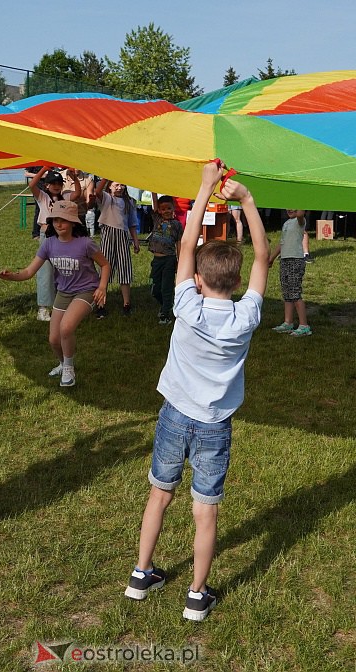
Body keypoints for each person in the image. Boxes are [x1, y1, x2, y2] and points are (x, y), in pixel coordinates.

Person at [124, 161, 268, 622]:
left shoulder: (185, 304)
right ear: (237, 282)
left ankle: (141, 576)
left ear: (200, 281)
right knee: (204, 511)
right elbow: (264, 258)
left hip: (173, 415)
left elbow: (186, 244)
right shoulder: (246, 317)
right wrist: (246, 202)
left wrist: (205, 187)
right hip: (214, 427)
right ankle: (195, 595)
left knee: (159, 495)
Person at [0, 200, 110, 387]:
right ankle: (62, 363)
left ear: (74, 222)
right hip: (63, 292)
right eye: (55, 220)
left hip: (86, 291)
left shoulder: (85, 244)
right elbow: (28, 272)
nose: (59, 224)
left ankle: (69, 368)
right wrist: (11, 276)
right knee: (53, 339)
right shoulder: (49, 244)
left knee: (66, 328)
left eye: (63, 220)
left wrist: (102, 287)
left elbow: (105, 264)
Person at [28, 167, 82, 321]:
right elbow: (32, 185)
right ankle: (43, 308)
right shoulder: (43, 197)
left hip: (63, 236)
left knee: (64, 268)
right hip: (48, 235)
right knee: (45, 271)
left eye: (59, 183)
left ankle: (63, 303)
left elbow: (77, 194)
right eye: (53, 183)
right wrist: (43, 169)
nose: (56, 186)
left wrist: (74, 177)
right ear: (46, 185)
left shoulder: (65, 197)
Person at [88, 177, 140, 317]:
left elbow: (132, 224)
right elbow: (97, 191)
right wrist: (106, 176)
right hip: (108, 235)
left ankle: (126, 304)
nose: (119, 187)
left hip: (123, 236)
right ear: (110, 187)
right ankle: (100, 304)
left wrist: (135, 241)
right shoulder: (106, 199)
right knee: (105, 267)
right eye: (116, 185)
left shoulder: (129, 202)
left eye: (122, 185)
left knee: (124, 267)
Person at [268, 209, 311, 337]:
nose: (290, 209)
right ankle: (288, 322)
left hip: (295, 261)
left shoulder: (300, 222)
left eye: (294, 206)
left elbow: (300, 215)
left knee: (295, 293)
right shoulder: (286, 223)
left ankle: (304, 326)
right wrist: (272, 258)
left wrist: (299, 206)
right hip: (285, 260)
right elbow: (282, 243)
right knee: (287, 293)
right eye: (288, 206)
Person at [146, 196, 184, 325]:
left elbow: (179, 244)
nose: (166, 211)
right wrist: (153, 190)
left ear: (173, 208)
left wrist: (180, 261)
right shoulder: (157, 219)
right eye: (163, 209)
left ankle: (165, 315)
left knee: (166, 288)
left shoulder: (177, 225)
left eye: (169, 208)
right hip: (157, 260)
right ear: (159, 211)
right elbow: (155, 202)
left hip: (170, 259)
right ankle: (166, 305)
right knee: (156, 289)